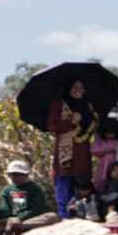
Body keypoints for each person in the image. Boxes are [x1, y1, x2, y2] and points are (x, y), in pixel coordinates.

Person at [47, 78, 95, 216]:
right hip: (64, 159)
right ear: (68, 88)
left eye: (81, 88)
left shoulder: (88, 106)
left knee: (84, 194)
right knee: (63, 194)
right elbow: (51, 126)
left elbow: (94, 126)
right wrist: (69, 121)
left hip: (82, 156)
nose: (78, 90)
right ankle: (65, 222)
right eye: (75, 87)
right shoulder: (59, 105)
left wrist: (83, 120)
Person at [0, 161, 59, 227]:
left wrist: (20, 218)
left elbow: (38, 209)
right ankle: (15, 225)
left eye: (18, 174)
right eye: (12, 174)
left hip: (30, 219)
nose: (15, 177)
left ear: (26, 174)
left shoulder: (35, 188)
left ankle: (19, 226)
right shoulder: (7, 190)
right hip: (11, 220)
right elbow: (4, 209)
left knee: (52, 216)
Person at [89, 118, 118, 191]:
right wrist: (106, 150)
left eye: (112, 133)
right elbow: (94, 150)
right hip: (104, 165)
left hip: (117, 164)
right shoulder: (100, 140)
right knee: (103, 179)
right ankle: (103, 191)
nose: (110, 135)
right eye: (108, 133)